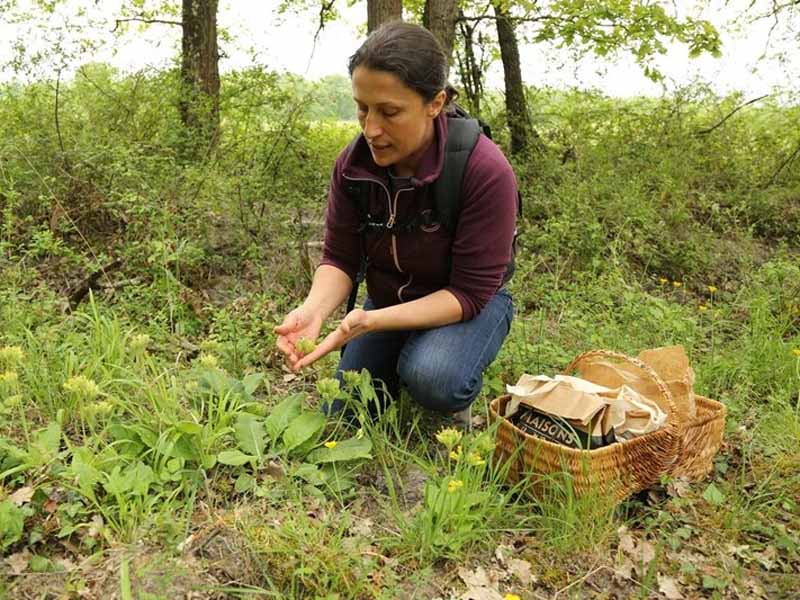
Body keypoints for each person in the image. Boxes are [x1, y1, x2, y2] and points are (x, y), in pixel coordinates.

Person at [274, 21, 518, 417]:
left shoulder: (483, 170)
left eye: (389, 112)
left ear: (435, 103)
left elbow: (470, 293)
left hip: (465, 301)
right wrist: (314, 310)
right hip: (388, 301)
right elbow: (340, 257)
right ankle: (405, 356)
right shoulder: (353, 167)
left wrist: (371, 322)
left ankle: (436, 370)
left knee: (435, 377)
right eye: (362, 108)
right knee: (345, 410)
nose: (371, 129)